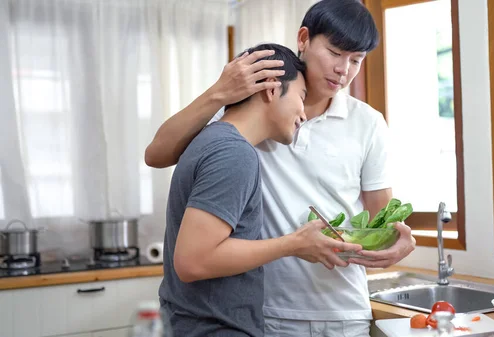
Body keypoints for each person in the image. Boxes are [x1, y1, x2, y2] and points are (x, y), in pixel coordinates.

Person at [146, 1, 417, 336]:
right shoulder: (259, 107)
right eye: (335, 53)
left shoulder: (368, 124)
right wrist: (219, 92)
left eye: (356, 60)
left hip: (344, 310)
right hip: (268, 311)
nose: (343, 70)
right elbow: (156, 154)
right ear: (303, 38)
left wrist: (398, 240)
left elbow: (382, 218)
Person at [157, 43, 363, 337]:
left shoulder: (211, 139)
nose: (303, 114)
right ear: (271, 90)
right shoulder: (233, 153)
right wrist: (293, 244)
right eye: (301, 97)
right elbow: (193, 261)